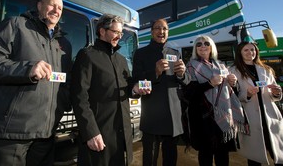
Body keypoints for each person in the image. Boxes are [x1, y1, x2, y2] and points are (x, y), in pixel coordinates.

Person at [0, 0, 72, 166]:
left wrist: (63, 104)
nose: (56, 10)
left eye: (60, 8)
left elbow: (65, 81)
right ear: (39, 6)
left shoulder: (64, 44)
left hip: (46, 133)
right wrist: (27, 69)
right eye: (52, 5)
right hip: (14, 134)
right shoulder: (16, 25)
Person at [70, 13, 148, 166]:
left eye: (121, 33)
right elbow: (79, 97)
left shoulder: (122, 60)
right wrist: (91, 132)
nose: (119, 37)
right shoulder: (87, 55)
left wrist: (135, 89)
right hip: (100, 135)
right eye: (115, 32)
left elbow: (126, 90)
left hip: (122, 135)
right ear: (102, 31)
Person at [132, 18, 190, 166]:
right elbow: (137, 81)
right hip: (152, 114)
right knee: (150, 158)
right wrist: (155, 73)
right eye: (157, 28)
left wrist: (182, 74)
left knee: (170, 158)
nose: (161, 32)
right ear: (152, 32)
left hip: (172, 114)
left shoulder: (175, 53)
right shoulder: (141, 53)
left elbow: (185, 81)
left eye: (164, 29)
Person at [183, 35, 247, 166]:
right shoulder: (190, 66)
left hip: (223, 114)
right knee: (205, 155)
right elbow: (189, 93)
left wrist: (233, 83)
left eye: (206, 43)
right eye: (199, 44)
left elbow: (231, 92)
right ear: (195, 49)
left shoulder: (221, 65)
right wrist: (210, 83)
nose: (203, 46)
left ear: (211, 46)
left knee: (222, 155)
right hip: (202, 117)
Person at [229, 41, 283, 165]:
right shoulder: (233, 71)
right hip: (250, 118)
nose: (250, 52)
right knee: (254, 157)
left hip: (270, 116)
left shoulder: (266, 69)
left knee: (278, 152)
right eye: (246, 50)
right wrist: (247, 94)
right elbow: (232, 96)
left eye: (252, 50)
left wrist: (276, 93)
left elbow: (273, 95)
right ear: (240, 53)